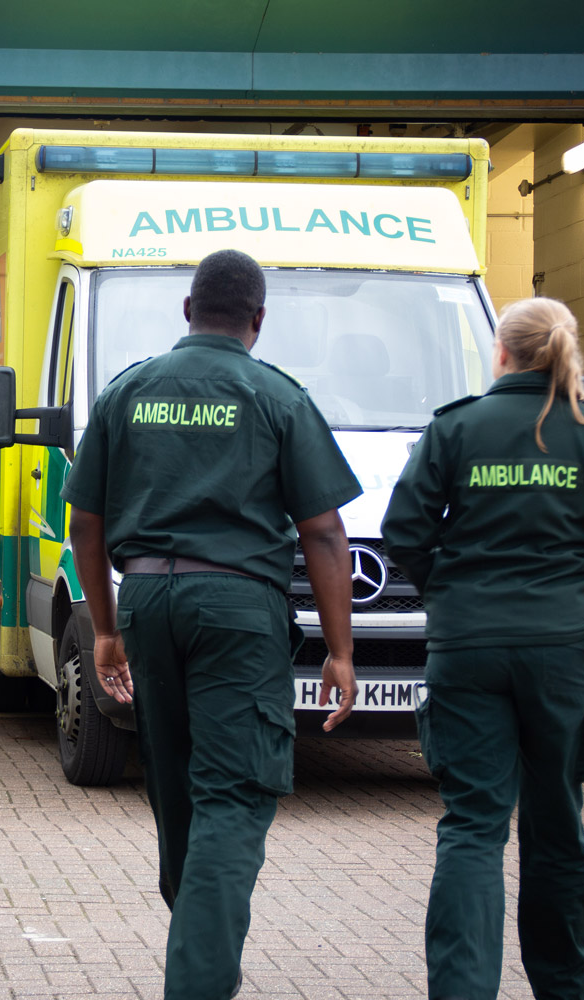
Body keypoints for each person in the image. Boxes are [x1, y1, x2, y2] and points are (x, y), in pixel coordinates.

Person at [62, 249, 362, 1000]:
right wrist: (339, 650)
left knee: (175, 782)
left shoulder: (128, 391)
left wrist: (105, 629)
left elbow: (86, 525)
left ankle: (199, 940)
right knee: (235, 792)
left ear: (187, 311)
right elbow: (324, 532)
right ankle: (198, 978)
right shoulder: (276, 396)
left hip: (147, 602)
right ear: (258, 321)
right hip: (237, 606)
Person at [381, 297, 584, 1000]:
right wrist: (577, 594)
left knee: (473, 824)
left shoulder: (457, 428)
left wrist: (452, 593)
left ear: (500, 352)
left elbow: (405, 531)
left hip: (468, 646)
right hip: (561, 652)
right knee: (555, 826)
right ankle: (564, 988)